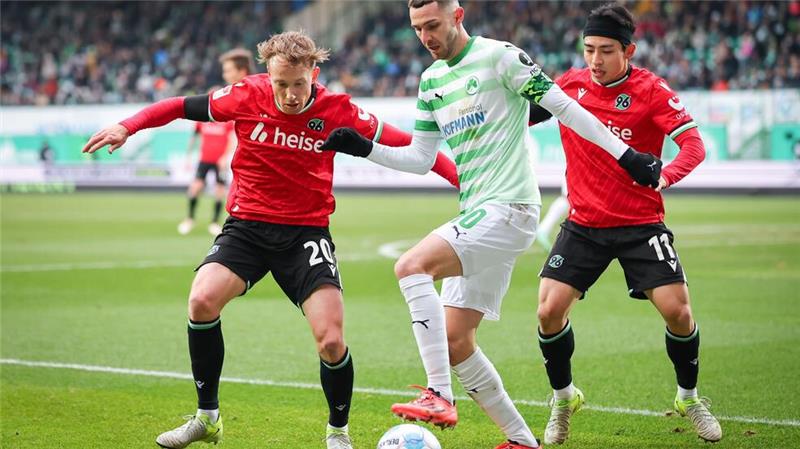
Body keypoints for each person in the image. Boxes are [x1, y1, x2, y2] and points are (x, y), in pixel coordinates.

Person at [82, 30, 458, 449]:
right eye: (281, 84)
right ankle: (207, 419)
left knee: (331, 340)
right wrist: (126, 126)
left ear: (314, 74)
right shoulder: (244, 95)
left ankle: (338, 433)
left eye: (299, 84)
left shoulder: (339, 109)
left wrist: (462, 181)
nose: (291, 95)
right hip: (247, 228)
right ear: (267, 74)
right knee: (201, 301)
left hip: (305, 233)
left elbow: (409, 144)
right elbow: (178, 106)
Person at [320, 1, 662, 448]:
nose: (425, 37)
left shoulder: (502, 57)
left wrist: (629, 156)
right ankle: (522, 441)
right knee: (456, 340)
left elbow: (567, 108)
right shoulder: (431, 81)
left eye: (433, 25)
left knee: (411, 267)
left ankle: (439, 393)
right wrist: (364, 148)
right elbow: (421, 158)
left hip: (511, 207)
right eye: (418, 29)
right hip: (478, 212)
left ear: (457, 16)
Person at [529, 3, 720, 444]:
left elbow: (693, 145)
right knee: (548, 311)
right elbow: (520, 116)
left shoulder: (652, 90)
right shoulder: (569, 85)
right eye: (589, 49)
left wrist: (665, 175)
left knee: (679, 312)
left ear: (628, 50)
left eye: (606, 50)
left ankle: (688, 397)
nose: (594, 60)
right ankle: (563, 398)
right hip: (584, 223)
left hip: (640, 224)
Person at [178, 49, 254, 236]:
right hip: (204, 159)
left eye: (228, 70)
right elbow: (194, 137)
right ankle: (189, 219)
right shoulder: (202, 121)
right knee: (196, 188)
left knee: (220, 191)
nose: (224, 75)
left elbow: (231, 138)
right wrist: (188, 156)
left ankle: (214, 222)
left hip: (220, 160)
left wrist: (226, 157)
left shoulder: (228, 118)